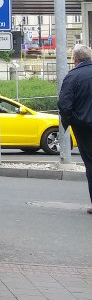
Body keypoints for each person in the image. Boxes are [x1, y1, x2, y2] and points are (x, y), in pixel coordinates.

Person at [58, 43, 92, 212]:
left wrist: (71, 121)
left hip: (84, 127)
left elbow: (64, 104)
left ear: (75, 59)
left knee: (91, 163)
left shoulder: (72, 76)